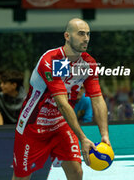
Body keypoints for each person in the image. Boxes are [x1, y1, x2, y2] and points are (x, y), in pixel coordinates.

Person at [12, 18, 110, 180]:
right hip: (33, 126)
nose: (85, 38)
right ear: (67, 36)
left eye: (88, 34)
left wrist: (104, 135)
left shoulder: (88, 63)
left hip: (60, 124)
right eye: (80, 34)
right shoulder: (51, 60)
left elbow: (97, 99)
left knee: (76, 172)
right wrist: (83, 138)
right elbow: (62, 103)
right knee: (22, 177)